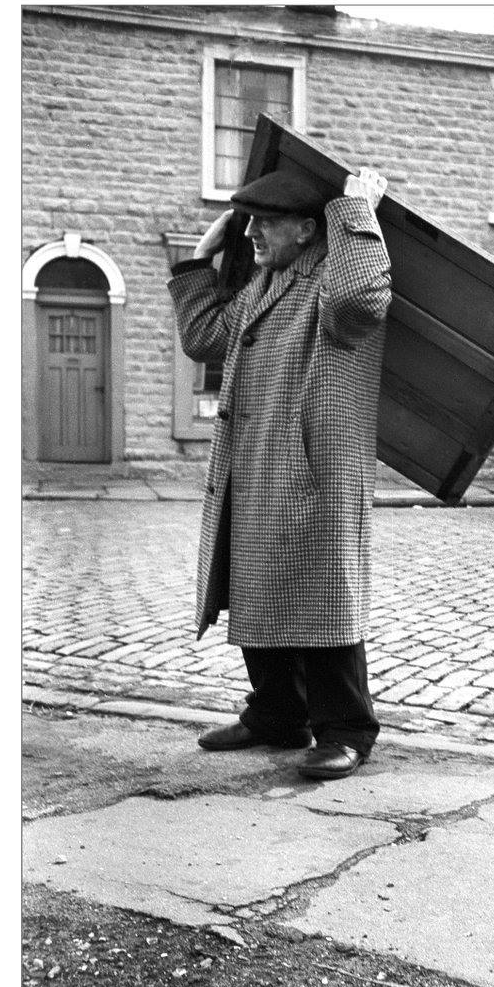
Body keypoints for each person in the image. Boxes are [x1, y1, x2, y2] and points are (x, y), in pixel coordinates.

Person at [167, 166, 391, 779]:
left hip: (314, 464)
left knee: (323, 595)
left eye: (266, 222)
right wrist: (199, 260)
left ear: (307, 228)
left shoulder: (337, 276)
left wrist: (355, 212)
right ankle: (276, 714)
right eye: (251, 220)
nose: (252, 232)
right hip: (257, 461)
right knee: (253, 586)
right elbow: (205, 337)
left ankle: (346, 728)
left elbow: (356, 305)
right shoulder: (268, 282)